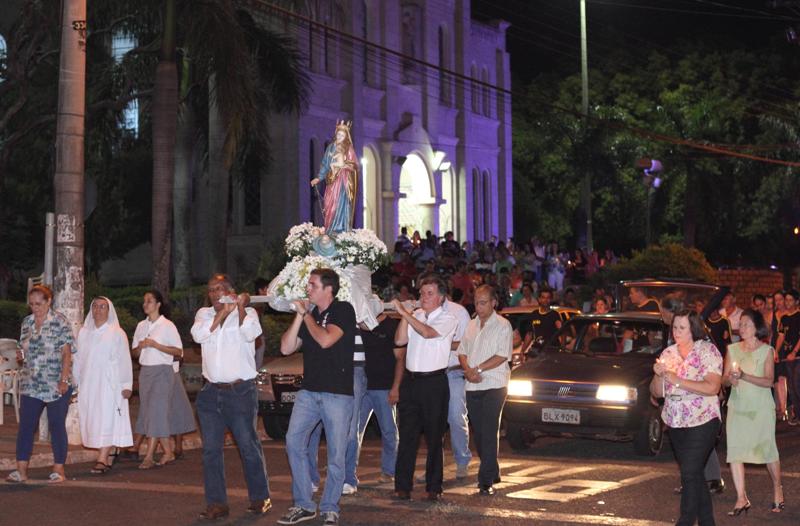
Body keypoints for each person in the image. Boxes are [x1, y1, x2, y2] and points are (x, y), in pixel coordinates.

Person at [278, 268, 355, 526]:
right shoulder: (309, 315)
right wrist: (300, 317)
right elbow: (286, 347)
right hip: (309, 391)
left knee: (336, 454)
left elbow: (325, 340)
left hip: (337, 394)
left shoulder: (343, 310)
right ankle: (303, 504)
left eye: (312, 285)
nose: (307, 289)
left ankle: (330, 506)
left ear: (327, 289)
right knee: (293, 441)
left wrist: (306, 315)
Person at [191, 274, 271, 520]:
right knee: (211, 451)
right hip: (211, 392)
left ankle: (260, 498)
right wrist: (221, 315)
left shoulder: (247, 314)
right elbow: (198, 335)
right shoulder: (204, 314)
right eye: (211, 290)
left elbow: (252, 334)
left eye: (220, 289)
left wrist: (240, 308)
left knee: (247, 445)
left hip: (240, 391)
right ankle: (217, 503)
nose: (215, 294)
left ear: (231, 292)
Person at [651, 310, 723, 526]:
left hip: (703, 420)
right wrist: (657, 373)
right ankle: (707, 522)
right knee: (694, 474)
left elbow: (712, 387)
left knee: (690, 472)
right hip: (675, 420)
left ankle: (685, 521)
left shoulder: (707, 351)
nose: (676, 332)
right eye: (674, 327)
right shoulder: (668, 353)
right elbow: (656, 392)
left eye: (682, 327)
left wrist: (677, 380)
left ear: (693, 329)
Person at [392, 275, 457, 502]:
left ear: (440, 298)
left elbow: (428, 333)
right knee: (407, 434)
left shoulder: (448, 318)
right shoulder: (415, 316)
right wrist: (406, 316)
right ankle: (402, 486)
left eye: (429, 294)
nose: (424, 297)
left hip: (434, 383)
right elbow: (400, 341)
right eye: (422, 293)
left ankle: (433, 486)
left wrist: (406, 314)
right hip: (412, 382)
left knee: (434, 436)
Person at [5, 285, 74, 484]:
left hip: (55, 382)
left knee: (56, 425)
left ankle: (59, 469)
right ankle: (21, 470)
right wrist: (21, 356)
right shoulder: (27, 323)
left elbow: (67, 353)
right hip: (31, 382)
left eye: (39, 303)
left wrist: (63, 380)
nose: (35, 308)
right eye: (32, 304)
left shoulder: (60, 322)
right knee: (26, 426)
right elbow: (24, 350)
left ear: (48, 301)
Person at [723, 309, 784, 515]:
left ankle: (778, 488)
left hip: (760, 408)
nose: (742, 326)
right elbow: (723, 379)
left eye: (747, 323)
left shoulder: (767, 351)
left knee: (767, 450)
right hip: (738, 406)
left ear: (757, 328)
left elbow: (769, 381)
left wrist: (744, 376)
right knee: (735, 451)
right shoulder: (732, 349)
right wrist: (730, 380)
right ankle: (741, 497)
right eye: (740, 323)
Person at [458, 285, 512, 496]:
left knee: (489, 430)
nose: (479, 307)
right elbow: (462, 351)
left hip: (495, 383)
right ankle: (493, 468)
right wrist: (468, 370)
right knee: (479, 433)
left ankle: (485, 480)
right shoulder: (471, 325)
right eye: (476, 302)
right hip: (473, 383)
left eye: (483, 302)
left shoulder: (502, 325)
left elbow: (502, 355)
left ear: (493, 303)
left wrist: (478, 368)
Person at [74, 297, 133, 474]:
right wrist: (74, 381)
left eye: (103, 307)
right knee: (94, 418)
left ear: (109, 310)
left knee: (108, 417)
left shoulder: (117, 332)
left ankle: (103, 457)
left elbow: (124, 359)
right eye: (95, 307)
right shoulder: (84, 333)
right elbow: (78, 360)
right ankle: (107, 452)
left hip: (110, 384)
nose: (98, 310)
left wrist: (126, 384)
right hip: (89, 383)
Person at [132, 290, 184, 469]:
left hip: (163, 372)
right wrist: (140, 347)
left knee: (156, 411)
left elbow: (178, 351)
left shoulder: (167, 325)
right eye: (144, 301)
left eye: (150, 301)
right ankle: (168, 452)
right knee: (149, 411)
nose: (146, 304)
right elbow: (134, 352)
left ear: (158, 304)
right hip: (145, 371)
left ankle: (149, 455)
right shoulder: (141, 326)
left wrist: (156, 345)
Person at [354, 306, 403, 485]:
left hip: (384, 387)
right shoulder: (358, 326)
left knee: (389, 431)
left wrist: (396, 387)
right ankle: (349, 473)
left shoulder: (391, 326)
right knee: (354, 431)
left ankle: (389, 470)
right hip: (361, 387)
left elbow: (400, 358)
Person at [310, 120, 359, 234]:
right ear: (336, 134)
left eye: (342, 135)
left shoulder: (348, 149)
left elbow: (354, 165)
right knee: (329, 204)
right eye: (338, 134)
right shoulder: (331, 148)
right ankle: (330, 229)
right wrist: (318, 178)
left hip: (344, 182)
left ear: (346, 136)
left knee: (341, 203)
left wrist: (343, 166)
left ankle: (341, 230)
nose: (340, 137)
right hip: (332, 181)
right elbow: (325, 164)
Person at [774, 289, 800, 426]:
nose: (788, 303)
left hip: (797, 357)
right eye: (786, 300)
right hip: (787, 355)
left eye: (790, 300)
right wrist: (776, 351)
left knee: (797, 383)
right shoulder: (784, 318)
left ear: (797, 301)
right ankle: (797, 413)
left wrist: (794, 352)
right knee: (791, 386)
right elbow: (781, 336)